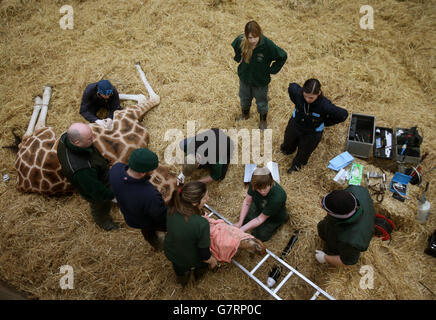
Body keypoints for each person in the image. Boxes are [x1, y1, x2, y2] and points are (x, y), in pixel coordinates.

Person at [57, 122, 118, 231]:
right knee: (100, 204)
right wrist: (113, 197)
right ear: (77, 142)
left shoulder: (65, 138)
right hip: (94, 187)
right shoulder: (82, 170)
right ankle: (104, 222)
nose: (94, 139)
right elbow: (96, 191)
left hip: (95, 171)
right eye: (90, 138)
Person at [281, 79, 348, 173]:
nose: (307, 99)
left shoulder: (325, 105)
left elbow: (343, 114)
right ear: (302, 91)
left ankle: (295, 167)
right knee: (288, 142)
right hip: (295, 124)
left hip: (312, 132)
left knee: (304, 153)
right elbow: (291, 86)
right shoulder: (297, 93)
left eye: (311, 97)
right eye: (305, 96)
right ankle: (287, 150)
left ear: (319, 93)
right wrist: (296, 103)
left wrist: (326, 122)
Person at [231, 20, 287, 130]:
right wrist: (238, 57)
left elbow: (282, 56)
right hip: (245, 78)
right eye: (250, 37)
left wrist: (272, 69)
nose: (252, 40)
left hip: (260, 81)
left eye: (255, 37)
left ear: (259, 34)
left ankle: (262, 120)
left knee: (261, 102)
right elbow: (235, 46)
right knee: (244, 98)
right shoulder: (242, 40)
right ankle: (245, 115)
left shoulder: (267, 45)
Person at [109, 148, 167, 251]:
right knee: (152, 228)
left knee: (147, 233)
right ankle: (162, 246)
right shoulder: (149, 194)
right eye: (152, 170)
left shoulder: (115, 169)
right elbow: (160, 216)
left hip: (131, 218)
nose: (153, 171)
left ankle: (156, 245)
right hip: (148, 221)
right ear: (142, 173)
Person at [164, 181, 217, 286]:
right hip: (190, 258)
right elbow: (205, 255)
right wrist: (213, 262)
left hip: (171, 251)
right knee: (201, 267)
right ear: (194, 203)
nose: (208, 199)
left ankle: (182, 281)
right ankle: (197, 278)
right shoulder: (202, 224)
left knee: (179, 269)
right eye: (205, 198)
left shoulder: (172, 208)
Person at [315, 185, 376, 267]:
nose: (320, 203)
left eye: (324, 207)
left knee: (331, 243)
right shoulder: (356, 189)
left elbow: (347, 261)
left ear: (336, 216)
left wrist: (325, 258)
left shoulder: (351, 241)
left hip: (349, 236)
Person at [234, 167, 287, 242]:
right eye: (259, 189)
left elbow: (260, 219)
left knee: (260, 235)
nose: (262, 192)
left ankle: (277, 225)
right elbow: (247, 202)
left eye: (265, 188)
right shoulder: (255, 184)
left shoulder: (278, 197)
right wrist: (240, 222)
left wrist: (241, 230)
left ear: (271, 183)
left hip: (273, 217)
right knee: (245, 221)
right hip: (259, 206)